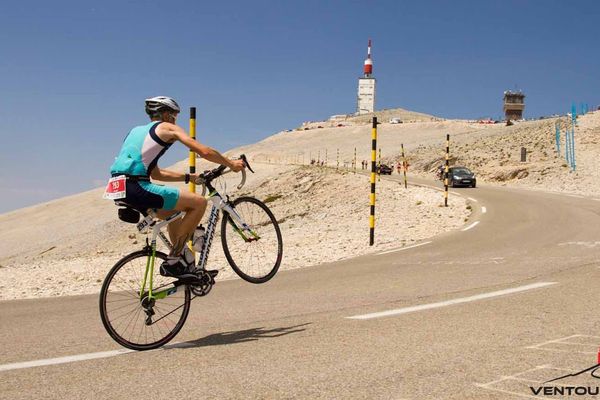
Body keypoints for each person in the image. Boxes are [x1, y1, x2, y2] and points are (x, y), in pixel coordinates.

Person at [109, 96, 245, 282]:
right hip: (137, 185)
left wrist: (189, 177)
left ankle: (183, 260)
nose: (175, 121)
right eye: (174, 116)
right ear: (166, 115)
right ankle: (174, 260)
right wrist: (231, 163)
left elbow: (156, 174)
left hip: (119, 187)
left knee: (172, 214)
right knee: (198, 203)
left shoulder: (135, 131)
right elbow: (203, 151)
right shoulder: (167, 127)